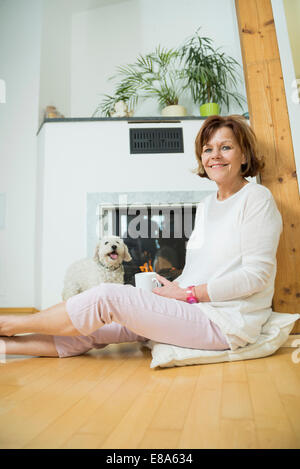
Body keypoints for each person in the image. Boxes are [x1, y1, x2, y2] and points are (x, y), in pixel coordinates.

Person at [0, 115, 282, 358]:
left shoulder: (256, 198)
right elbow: (200, 270)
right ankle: (5, 347)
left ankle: (10, 324)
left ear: (244, 155)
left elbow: (255, 276)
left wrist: (188, 294)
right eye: (208, 149)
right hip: (192, 307)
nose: (214, 156)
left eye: (226, 147)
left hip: (225, 321)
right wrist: (168, 291)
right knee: (95, 326)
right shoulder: (208, 206)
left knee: (107, 297)